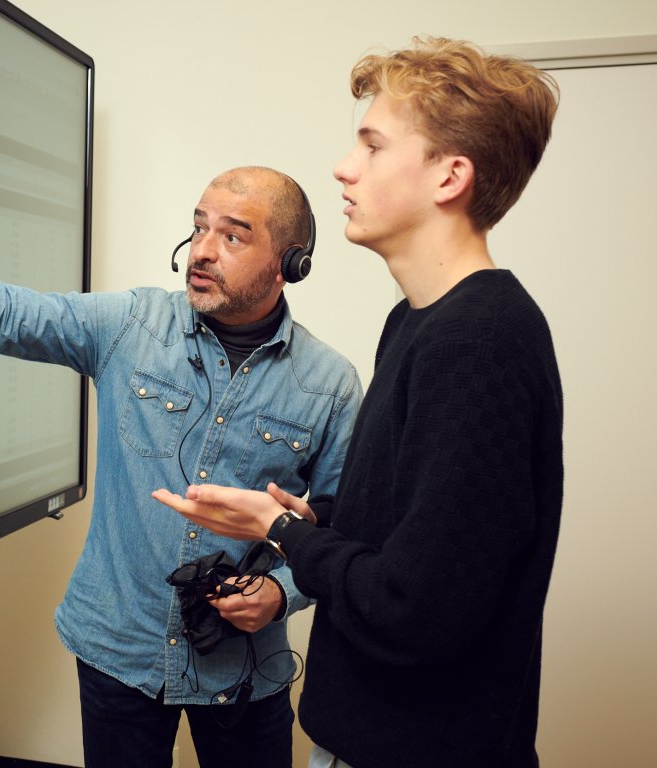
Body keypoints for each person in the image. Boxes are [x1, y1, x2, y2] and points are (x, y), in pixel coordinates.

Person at [0, 165, 362, 768]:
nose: (203, 252)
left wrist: (279, 594)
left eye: (233, 237)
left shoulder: (330, 385)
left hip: (245, 672)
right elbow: (4, 312)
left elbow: (342, 530)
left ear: (291, 263)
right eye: (198, 227)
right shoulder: (131, 325)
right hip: (117, 648)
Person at [153, 38, 563, 768]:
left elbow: (417, 612)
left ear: (450, 176)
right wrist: (318, 520)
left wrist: (279, 528)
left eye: (372, 146)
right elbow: (415, 531)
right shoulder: (417, 320)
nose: (345, 166)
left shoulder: (479, 346)